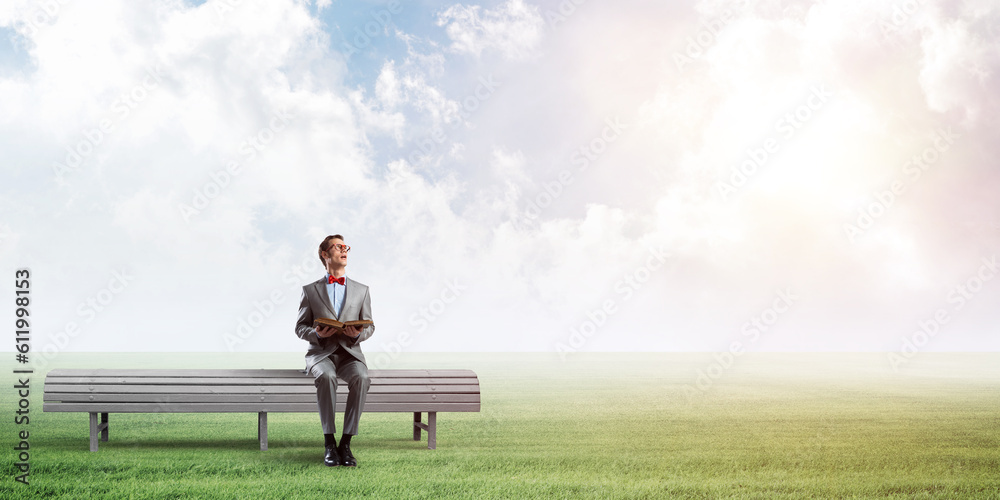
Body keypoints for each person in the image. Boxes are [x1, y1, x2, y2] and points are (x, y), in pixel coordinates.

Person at [295, 234, 374, 467]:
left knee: (362, 377)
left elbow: (371, 325)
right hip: (321, 353)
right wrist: (317, 334)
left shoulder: (362, 290)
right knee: (327, 376)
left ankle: (346, 443)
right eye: (338, 247)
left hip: (350, 353)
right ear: (325, 254)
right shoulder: (310, 290)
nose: (344, 250)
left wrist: (358, 334)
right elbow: (300, 327)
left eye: (345, 246)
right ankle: (329, 442)